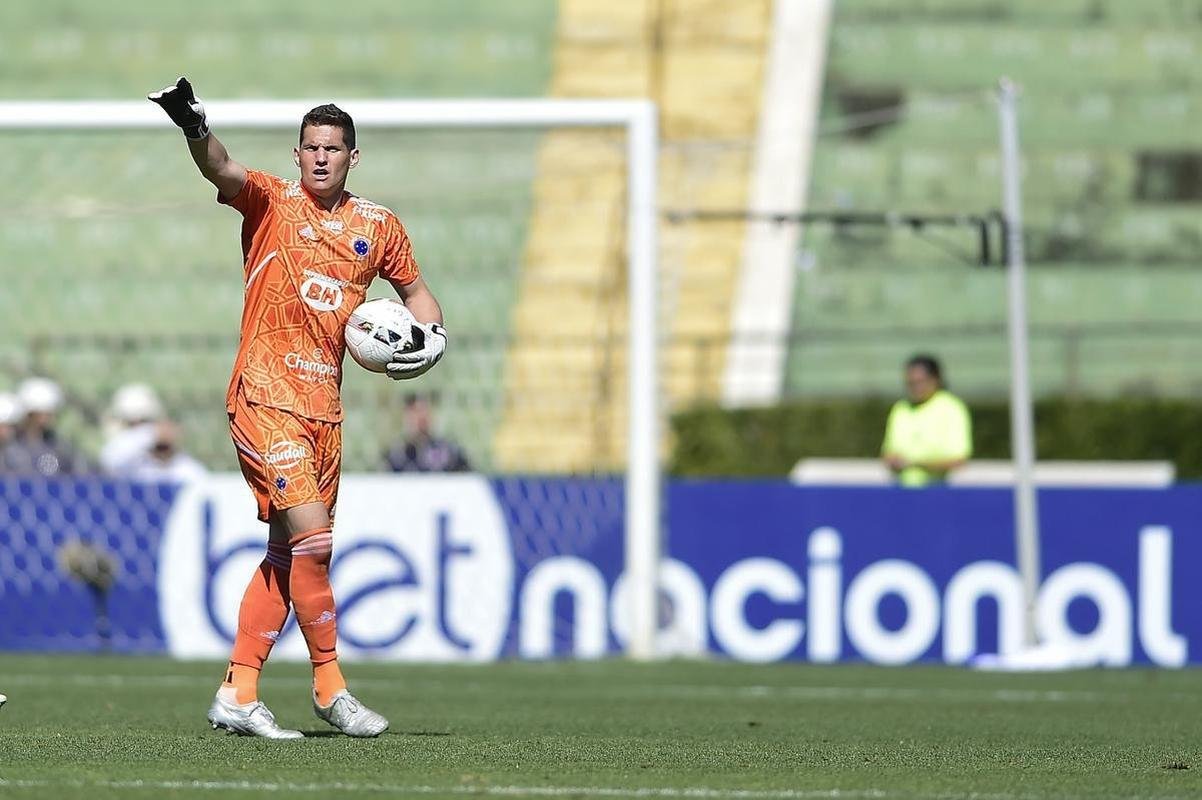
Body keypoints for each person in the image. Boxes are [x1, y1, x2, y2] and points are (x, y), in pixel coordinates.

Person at [149, 77, 447, 739]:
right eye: (310, 147)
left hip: (324, 411)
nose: (320, 157)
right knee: (314, 539)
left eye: (332, 149)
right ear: (296, 153)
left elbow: (416, 291)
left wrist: (433, 336)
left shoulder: (378, 226)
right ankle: (331, 688)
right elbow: (222, 168)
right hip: (265, 394)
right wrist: (195, 127)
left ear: (352, 157)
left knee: (291, 555)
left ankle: (238, 692)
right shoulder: (273, 202)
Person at [881, 354, 972, 487]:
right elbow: (888, 454)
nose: (915, 387)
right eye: (911, 383)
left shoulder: (952, 408)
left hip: (938, 490)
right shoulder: (900, 408)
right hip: (902, 489)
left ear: (935, 380)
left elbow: (959, 460)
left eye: (920, 382)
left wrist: (916, 464)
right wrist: (894, 461)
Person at [100, 384, 207, 483]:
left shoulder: (185, 468)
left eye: (144, 422)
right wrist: (152, 432)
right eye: (133, 426)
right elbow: (110, 458)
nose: (139, 431)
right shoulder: (128, 464)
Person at [2, 377, 89, 477]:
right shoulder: (9, 446)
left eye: (49, 413)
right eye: (42, 414)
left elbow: (75, 472)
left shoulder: (58, 446)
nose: (47, 418)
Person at [383, 393, 471, 473]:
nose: (421, 416)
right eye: (415, 412)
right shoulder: (396, 453)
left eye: (424, 411)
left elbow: (467, 476)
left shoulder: (448, 450)